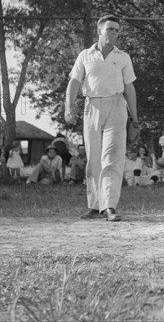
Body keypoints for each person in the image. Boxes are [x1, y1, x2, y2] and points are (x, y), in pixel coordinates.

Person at [65, 14, 140, 222]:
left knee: (113, 157)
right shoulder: (85, 55)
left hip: (117, 106)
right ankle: (94, 205)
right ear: (99, 31)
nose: (114, 33)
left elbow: (129, 88)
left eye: (117, 30)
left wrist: (135, 119)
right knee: (94, 158)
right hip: (92, 106)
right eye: (110, 29)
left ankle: (109, 206)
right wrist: (68, 106)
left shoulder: (123, 57)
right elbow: (74, 82)